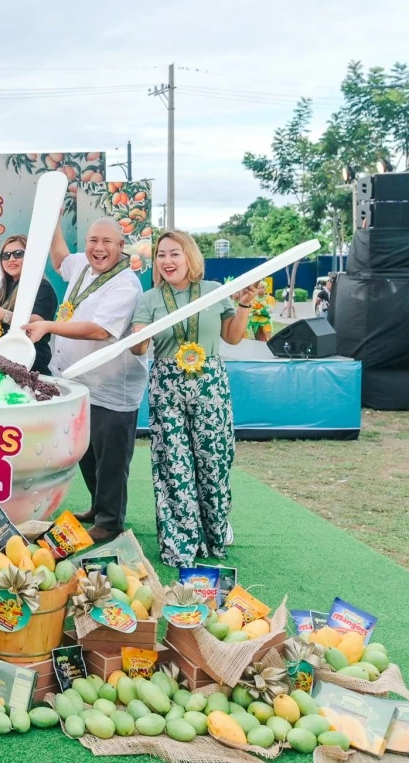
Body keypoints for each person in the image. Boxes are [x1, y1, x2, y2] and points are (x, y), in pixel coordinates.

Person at [129, 230, 257, 568]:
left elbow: (233, 336)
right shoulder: (150, 299)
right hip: (167, 385)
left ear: (190, 256)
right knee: (174, 465)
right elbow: (138, 347)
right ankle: (180, 543)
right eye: (161, 255)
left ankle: (215, 532)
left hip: (209, 384)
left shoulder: (216, 292)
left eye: (174, 254)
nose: (167, 261)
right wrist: (140, 336)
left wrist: (244, 303)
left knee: (213, 461)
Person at [23, 218, 147, 542]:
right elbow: (61, 259)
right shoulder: (82, 265)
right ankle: (97, 508)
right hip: (79, 383)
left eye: (107, 242)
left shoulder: (126, 285)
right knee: (88, 452)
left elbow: (99, 330)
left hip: (111, 386)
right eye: (93, 240)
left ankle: (110, 522)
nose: (98, 248)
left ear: (122, 248)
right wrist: (52, 221)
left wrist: (49, 326)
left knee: (111, 457)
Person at [0, 234, 59, 374]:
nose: (11, 259)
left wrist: (5, 315)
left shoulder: (43, 288)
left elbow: (36, 322)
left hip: (30, 370)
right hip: (3, 366)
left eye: (18, 254)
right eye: (6, 255)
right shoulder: (5, 287)